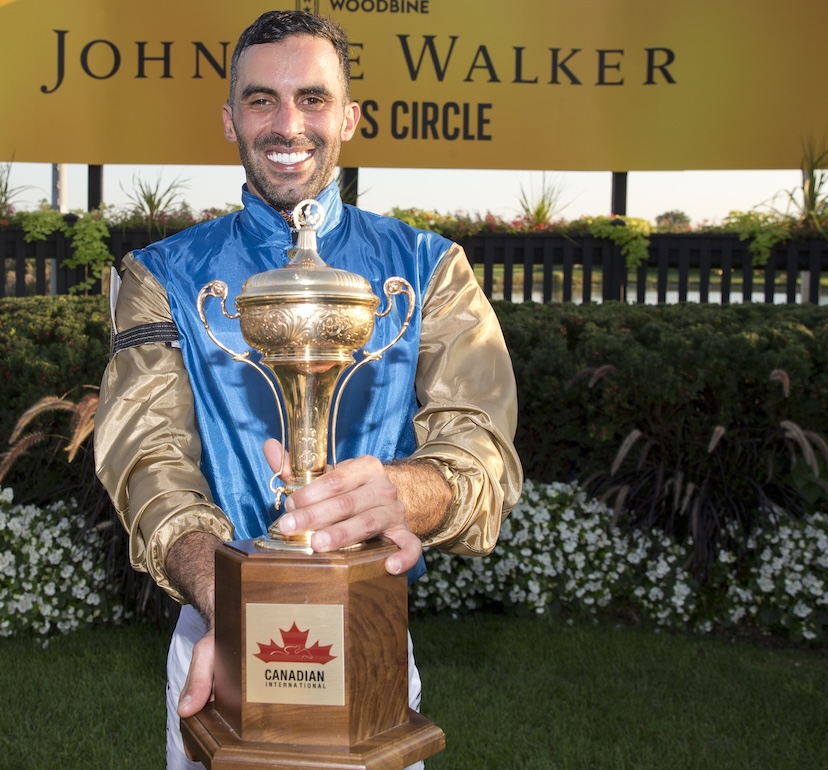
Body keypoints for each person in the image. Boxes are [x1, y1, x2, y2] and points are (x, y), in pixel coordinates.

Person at [91, 10, 522, 769]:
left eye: (313, 99)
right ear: (229, 120)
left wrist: (405, 491)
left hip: (372, 628)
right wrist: (241, 611)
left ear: (350, 117)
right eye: (262, 100)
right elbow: (146, 463)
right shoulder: (161, 277)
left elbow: (481, 447)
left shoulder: (430, 268)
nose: (288, 124)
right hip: (215, 627)